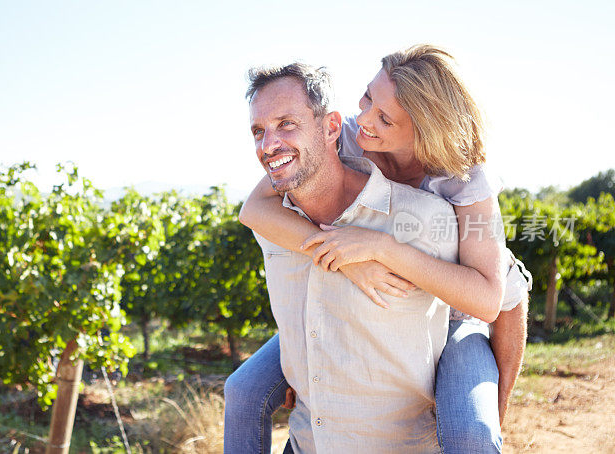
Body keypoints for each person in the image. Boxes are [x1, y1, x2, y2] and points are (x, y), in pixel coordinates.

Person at [224, 46, 531, 454]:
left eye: (384, 118)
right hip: (363, 300)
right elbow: (256, 208)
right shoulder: (347, 135)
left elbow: (496, 300)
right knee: (243, 392)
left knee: (472, 432)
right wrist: (345, 265)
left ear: (424, 128)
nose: (365, 119)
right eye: (368, 97)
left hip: (455, 315)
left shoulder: (465, 184)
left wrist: (380, 248)